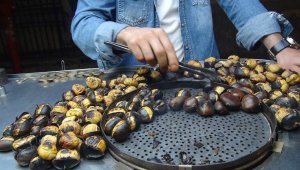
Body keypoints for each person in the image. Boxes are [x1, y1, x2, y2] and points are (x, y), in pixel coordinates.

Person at [71, 0, 300, 74]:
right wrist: (123, 33)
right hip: (137, 87)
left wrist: (280, 47)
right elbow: (84, 23)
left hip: (205, 80)